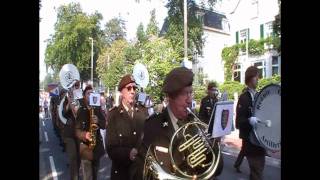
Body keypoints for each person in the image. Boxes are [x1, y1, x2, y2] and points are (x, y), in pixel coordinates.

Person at [134, 67, 223, 179]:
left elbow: (218, 169)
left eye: (191, 93)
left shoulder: (197, 124)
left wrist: (215, 146)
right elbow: (139, 171)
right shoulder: (152, 126)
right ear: (171, 96)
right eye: (185, 94)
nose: (190, 100)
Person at [106, 74, 149, 180]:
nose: (132, 91)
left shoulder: (143, 112)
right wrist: (128, 153)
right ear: (121, 91)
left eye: (134, 88)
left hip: (140, 172)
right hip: (121, 173)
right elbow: (111, 148)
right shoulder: (113, 115)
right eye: (129, 88)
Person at [235, 66, 266, 180]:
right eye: (256, 76)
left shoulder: (259, 96)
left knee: (257, 172)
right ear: (250, 78)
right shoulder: (244, 98)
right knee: (257, 172)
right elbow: (238, 122)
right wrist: (249, 121)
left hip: (260, 142)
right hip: (250, 142)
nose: (258, 79)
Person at [75, 85, 106, 180]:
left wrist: (98, 121)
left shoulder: (97, 109)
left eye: (92, 93)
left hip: (97, 148)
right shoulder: (81, 111)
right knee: (87, 176)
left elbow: (104, 125)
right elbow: (77, 131)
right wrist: (85, 135)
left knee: (96, 175)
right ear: (84, 96)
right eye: (88, 94)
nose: (91, 95)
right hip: (85, 148)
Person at [61, 84, 81, 180]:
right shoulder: (66, 98)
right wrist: (69, 102)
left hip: (80, 131)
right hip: (70, 132)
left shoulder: (81, 98)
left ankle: (76, 173)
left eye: (77, 86)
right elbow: (64, 113)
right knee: (73, 157)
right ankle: (74, 177)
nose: (76, 87)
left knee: (79, 157)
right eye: (74, 86)